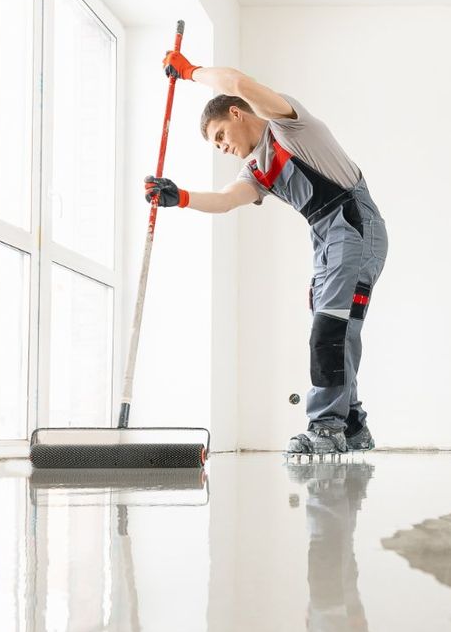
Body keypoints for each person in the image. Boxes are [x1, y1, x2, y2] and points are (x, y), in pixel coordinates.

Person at [143, 50, 388, 456]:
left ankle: (326, 428)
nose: (220, 146)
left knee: (329, 328)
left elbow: (238, 84)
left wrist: (190, 72)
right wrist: (179, 197)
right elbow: (225, 200)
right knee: (338, 329)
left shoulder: (290, 126)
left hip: (354, 223)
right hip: (326, 238)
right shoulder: (256, 170)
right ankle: (353, 424)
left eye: (219, 135)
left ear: (237, 114)